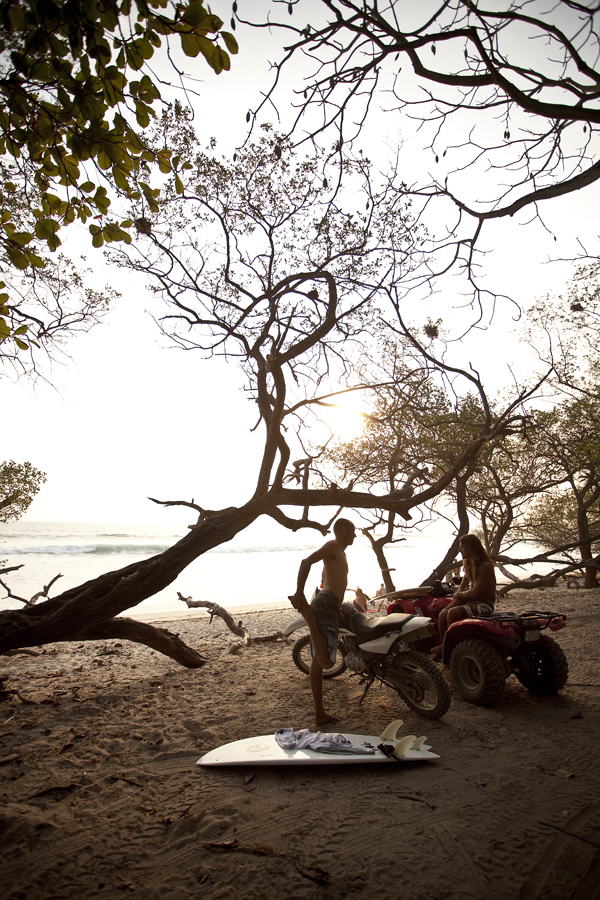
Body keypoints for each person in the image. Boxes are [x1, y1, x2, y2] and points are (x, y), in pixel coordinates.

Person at [289, 518, 356, 724]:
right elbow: (306, 562)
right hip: (325, 602)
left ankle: (319, 714)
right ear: (343, 530)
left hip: (329, 603)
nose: (355, 535)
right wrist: (299, 593)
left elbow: (327, 581)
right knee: (326, 662)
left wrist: (337, 608)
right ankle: (308, 616)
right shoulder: (334, 545)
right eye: (353, 531)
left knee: (317, 663)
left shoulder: (339, 553)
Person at [431, 534, 496, 660]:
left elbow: (475, 593)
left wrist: (460, 594)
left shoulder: (485, 566)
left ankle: (452, 649)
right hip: (471, 601)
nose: (460, 550)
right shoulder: (469, 563)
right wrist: (459, 591)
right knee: (442, 614)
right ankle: (446, 646)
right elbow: (466, 578)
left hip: (484, 603)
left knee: (453, 613)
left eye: (462, 548)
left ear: (470, 548)